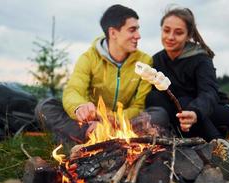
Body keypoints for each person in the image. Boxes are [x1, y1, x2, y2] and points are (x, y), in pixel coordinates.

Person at [35, 4, 157, 144]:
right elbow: (73, 90)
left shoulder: (144, 61)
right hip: (90, 122)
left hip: (123, 121)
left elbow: (139, 106)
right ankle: (94, 135)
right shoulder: (89, 58)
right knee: (45, 107)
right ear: (113, 33)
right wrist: (79, 107)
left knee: (158, 115)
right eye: (132, 30)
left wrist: (107, 120)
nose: (138, 36)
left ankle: (84, 138)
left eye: (138, 29)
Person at [145, 7, 229, 142]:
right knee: (154, 96)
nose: (170, 37)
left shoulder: (201, 58)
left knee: (184, 102)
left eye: (178, 32)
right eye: (166, 30)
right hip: (181, 120)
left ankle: (220, 144)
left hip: (214, 115)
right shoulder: (156, 60)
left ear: (188, 35)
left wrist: (195, 112)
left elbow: (209, 93)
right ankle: (171, 141)